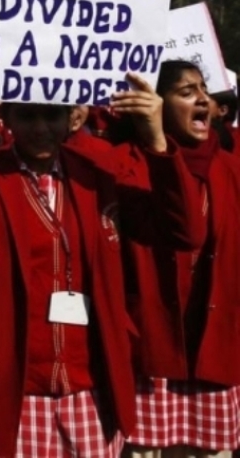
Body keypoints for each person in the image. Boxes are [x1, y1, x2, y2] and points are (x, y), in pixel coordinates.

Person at [0, 75, 200, 457]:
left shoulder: (98, 174)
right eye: (27, 116)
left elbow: (185, 232)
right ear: (6, 117)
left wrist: (157, 139)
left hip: (90, 387)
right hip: (10, 388)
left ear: (72, 118)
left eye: (51, 115)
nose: (41, 128)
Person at [121, 60, 240, 457]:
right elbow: (186, 231)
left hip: (215, 351)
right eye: (186, 92)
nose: (203, 99)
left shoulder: (233, 170)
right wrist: (156, 142)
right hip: (151, 354)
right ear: (153, 103)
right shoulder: (127, 165)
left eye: (203, 89)